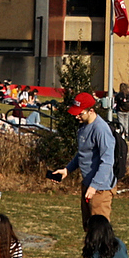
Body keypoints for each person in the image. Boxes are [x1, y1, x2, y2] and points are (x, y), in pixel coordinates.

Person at [52, 92, 118, 225]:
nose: (77, 117)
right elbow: (82, 153)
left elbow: (107, 161)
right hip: (88, 185)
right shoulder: (83, 127)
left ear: (91, 111)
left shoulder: (101, 130)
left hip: (100, 189)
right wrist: (67, 170)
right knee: (88, 227)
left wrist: (94, 186)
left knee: (99, 231)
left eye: (80, 113)